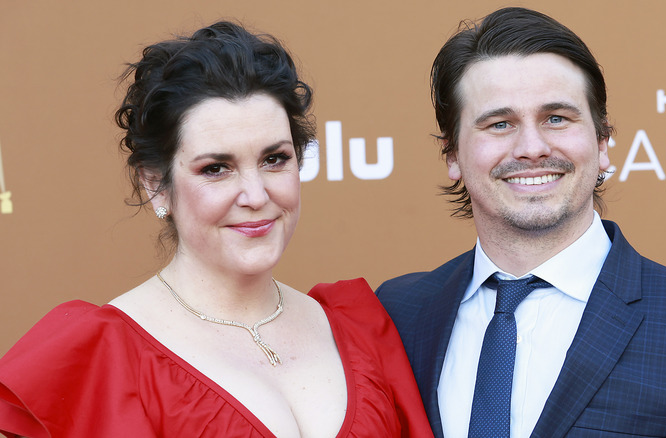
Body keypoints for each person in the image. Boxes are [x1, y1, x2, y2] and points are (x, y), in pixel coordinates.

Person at [0, 21, 433, 438]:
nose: (254, 194)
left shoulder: (360, 328)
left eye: (274, 159)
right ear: (156, 185)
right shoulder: (102, 360)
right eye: (216, 168)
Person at [376, 7, 666, 438]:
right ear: (452, 154)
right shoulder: (398, 315)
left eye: (556, 118)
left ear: (602, 141)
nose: (531, 147)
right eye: (499, 123)